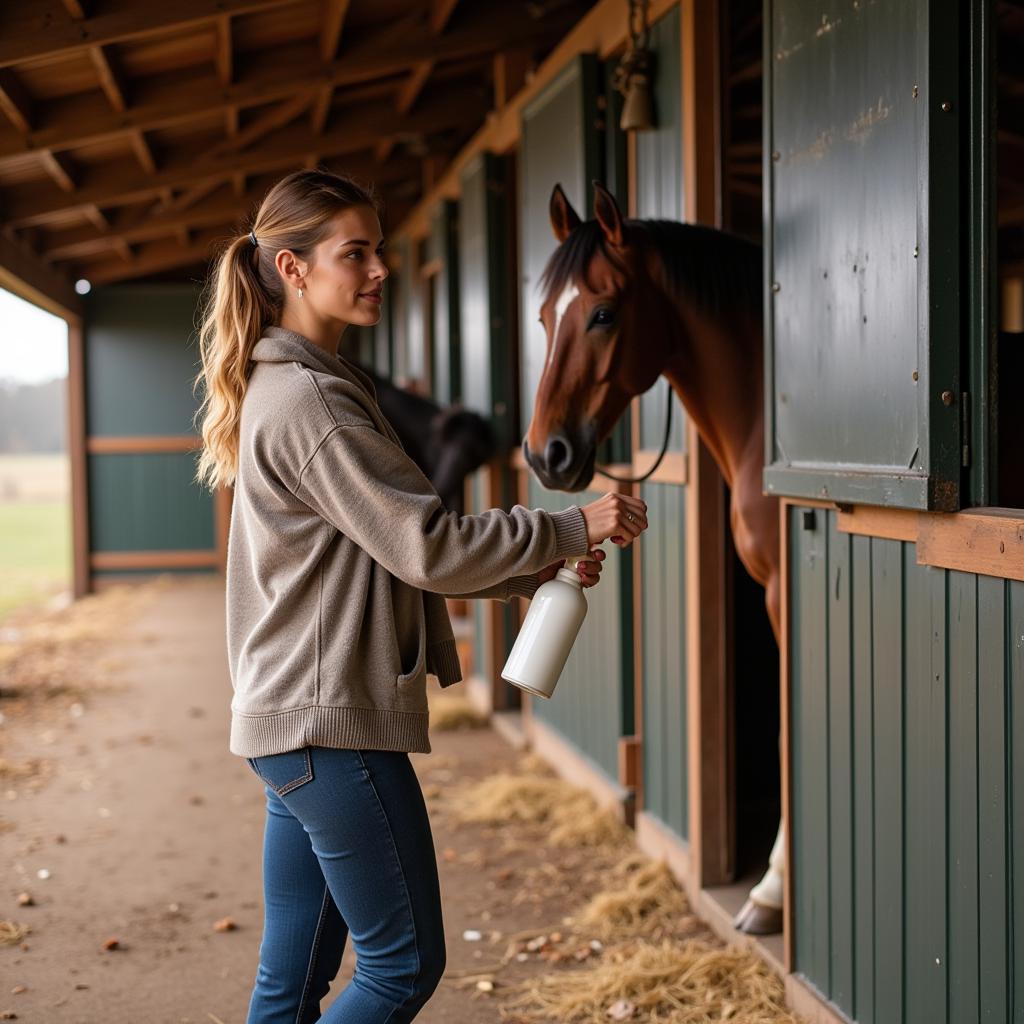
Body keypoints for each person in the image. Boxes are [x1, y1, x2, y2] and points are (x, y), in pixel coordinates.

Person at [192, 168, 649, 1023]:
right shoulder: (311, 399)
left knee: (288, 986)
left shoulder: (304, 384)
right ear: (292, 268)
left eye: (379, 250)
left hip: (294, 722)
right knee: (401, 967)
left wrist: (531, 571)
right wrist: (568, 528)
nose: (378, 270)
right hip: (330, 726)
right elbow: (424, 545)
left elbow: (385, 549)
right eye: (353, 253)